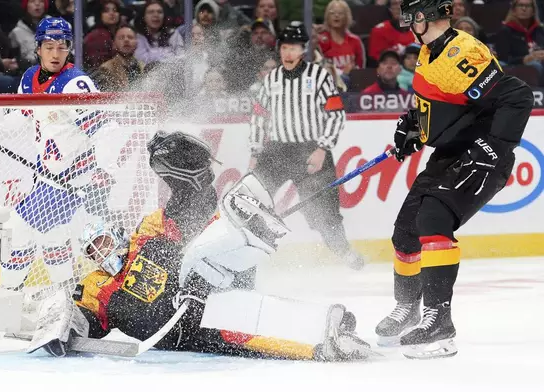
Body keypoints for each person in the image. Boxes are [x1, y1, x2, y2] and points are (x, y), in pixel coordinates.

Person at [28, 131, 373, 362]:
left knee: (237, 311)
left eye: (102, 241)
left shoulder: (145, 235)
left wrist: (217, 252)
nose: (100, 252)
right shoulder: (97, 285)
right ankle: (324, 339)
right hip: (182, 334)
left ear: (116, 233)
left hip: (207, 299)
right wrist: (61, 329)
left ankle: (330, 327)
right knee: (244, 335)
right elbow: (81, 316)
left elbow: (194, 213)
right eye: (92, 251)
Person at [375, 0, 533, 359]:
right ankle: (408, 308)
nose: (404, 21)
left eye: (409, 14)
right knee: (405, 231)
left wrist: (494, 147)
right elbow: (451, 104)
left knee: (433, 219)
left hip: (481, 157)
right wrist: (414, 127)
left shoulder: (460, 50)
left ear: (421, 18)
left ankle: (439, 324)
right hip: (450, 155)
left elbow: (517, 96)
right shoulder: (430, 51)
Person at [250, 21, 364, 270]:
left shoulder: (319, 76)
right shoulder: (271, 80)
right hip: (277, 152)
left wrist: (323, 148)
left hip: (311, 151)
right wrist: (256, 152)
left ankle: (343, 251)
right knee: (252, 199)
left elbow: (336, 114)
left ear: (303, 50)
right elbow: (259, 117)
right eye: (284, 48)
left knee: (325, 212)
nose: (288, 53)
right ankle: (246, 255)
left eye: (294, 48)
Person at [0, 17, 99, 290]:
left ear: (69, 49)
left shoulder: (76, 83)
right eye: (50, 46)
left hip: (72, 176)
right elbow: (21, 117)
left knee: (18, 228)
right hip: (48, 175)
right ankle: (65, 291)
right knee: (52, 235)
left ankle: (10, 293)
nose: (56, 53)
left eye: (62, 47)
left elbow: (104, 130)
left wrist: (104, 170)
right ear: (38, 48)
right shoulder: (30, 78)